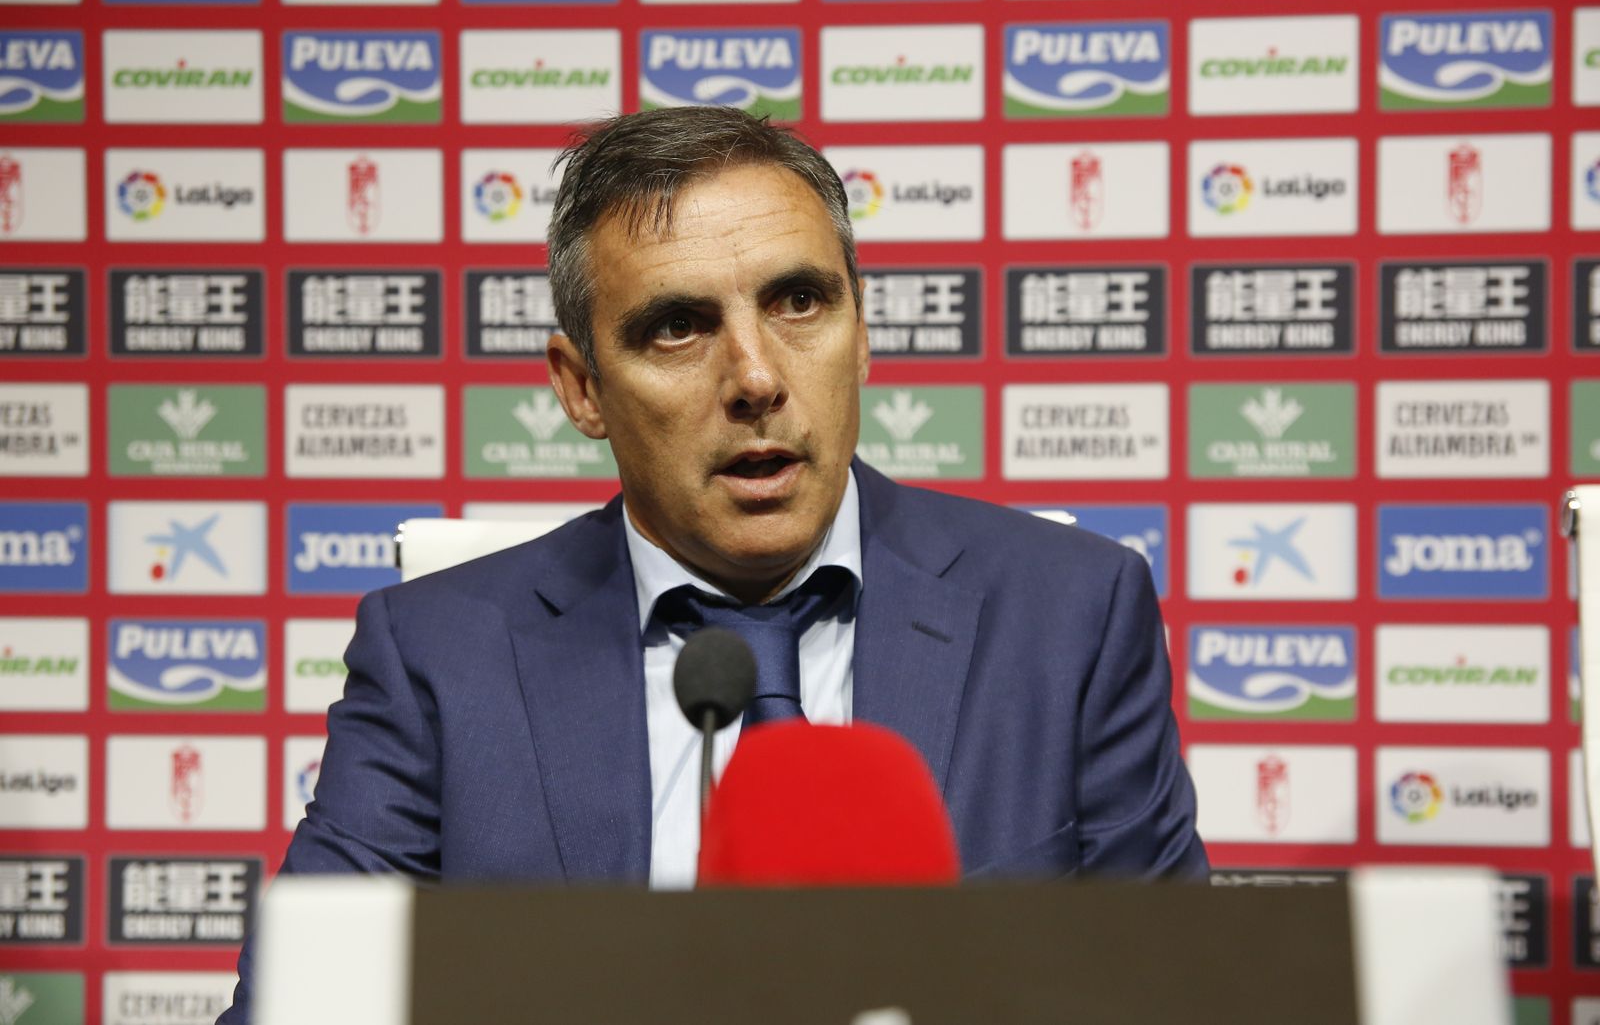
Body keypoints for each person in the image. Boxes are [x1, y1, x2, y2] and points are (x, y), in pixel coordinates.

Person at [218, 106, 1204, 1023]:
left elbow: (1172, 997)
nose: (758, 377)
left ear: (862, 330)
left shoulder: (1070, 616)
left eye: (800, 301)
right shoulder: (439, 655)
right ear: (582, 386)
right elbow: (301, 1005)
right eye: (676, 326)